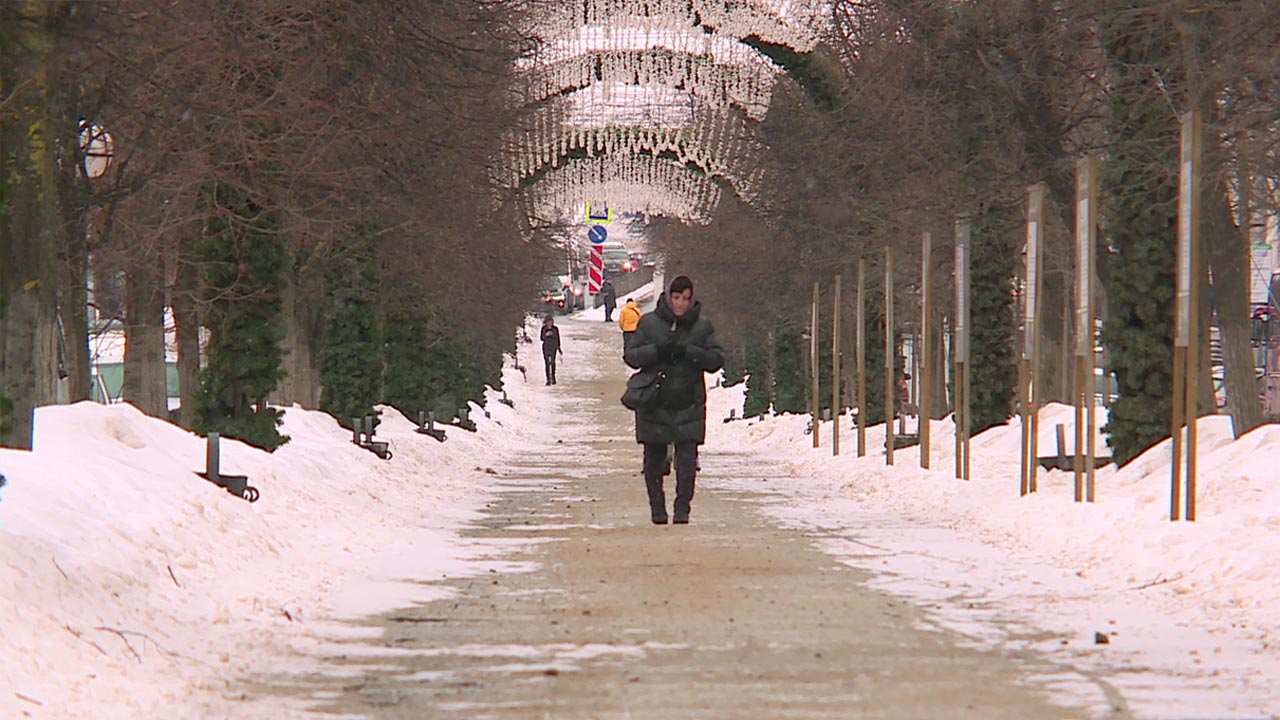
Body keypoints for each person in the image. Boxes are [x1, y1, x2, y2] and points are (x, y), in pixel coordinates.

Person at [624, 276, 723, 524]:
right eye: (676, 298)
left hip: (688, 401)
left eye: (686, 299)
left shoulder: (701, 326)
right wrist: (656, 352)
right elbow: (631, 356)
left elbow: (715, 360)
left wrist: (689, 353)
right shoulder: (648, 324)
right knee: (653, 459)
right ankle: (657, 508)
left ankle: (682, 509)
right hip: (655, 400)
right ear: (668, 297)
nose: (680, 304)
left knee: (688, 460)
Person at [540, 315, 563, 385]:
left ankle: (553, 377)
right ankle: (548, 379)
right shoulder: (543, 329)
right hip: (546, 347)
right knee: (547, 363)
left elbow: (558, 339)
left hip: (553, 347)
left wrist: (559, 348)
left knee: (552, 362)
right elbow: (541, 338)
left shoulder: (555, 329)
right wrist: (546, 335)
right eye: (548, 322)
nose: (549, 323)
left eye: (551, 322)